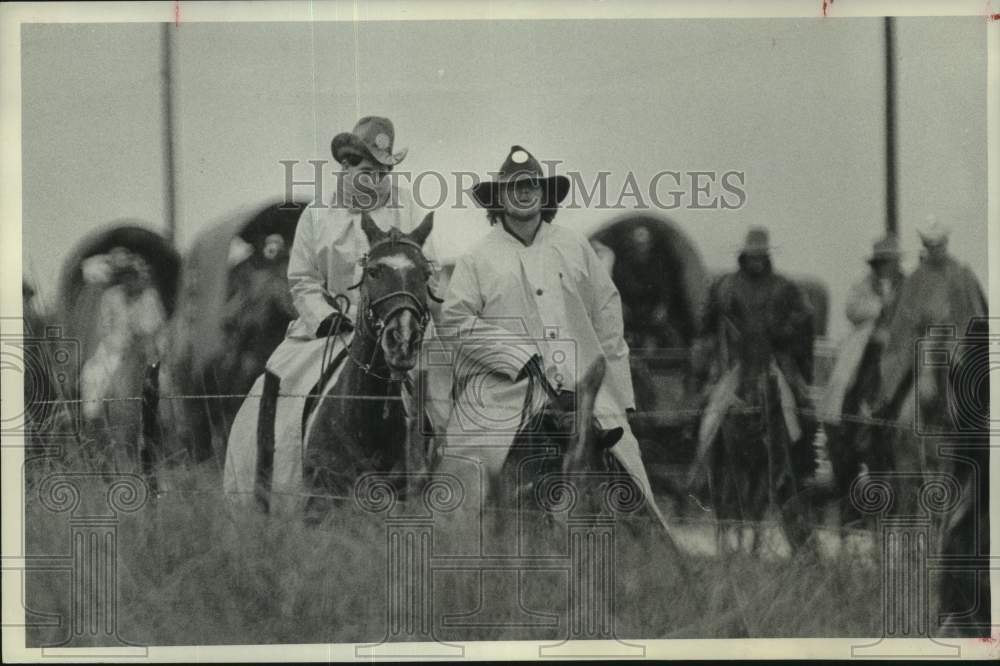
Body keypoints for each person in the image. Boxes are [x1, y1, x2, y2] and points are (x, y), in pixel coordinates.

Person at [436, 145, 670, 539]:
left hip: (581, 391)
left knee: (630, 481)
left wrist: (618, 398)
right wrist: (515, 354)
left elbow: (608, 317)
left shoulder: (574, 247)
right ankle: (463, 557)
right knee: (466, 488)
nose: (524, 193)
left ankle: (653, 557)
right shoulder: (478, 258)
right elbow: (455, 319)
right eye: (514, 186)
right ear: (500, 198)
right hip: (506, 396)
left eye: (532, 186)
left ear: (544, 196)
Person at [224, 116, 443, 505]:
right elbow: (303, 281)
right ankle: (278, 486)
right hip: (330, 328)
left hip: (398, 325)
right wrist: (324, 317)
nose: (374, 179)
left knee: (440, 395)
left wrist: (421, 313)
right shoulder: (317, 215)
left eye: (382, 171)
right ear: (346, 164)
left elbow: (428, 267)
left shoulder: (406, 207)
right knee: (280, 385)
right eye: (366, 169)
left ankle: (442, 488)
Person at [690, 227, 818, 553]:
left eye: (762, 255)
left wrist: (784, 333)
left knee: (797, 410)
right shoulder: (725, 286)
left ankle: (801, 471)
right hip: (736, 365)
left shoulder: (785, 288)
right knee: (710, 414)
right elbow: (704, 324)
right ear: (744, 255)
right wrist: (708, 356)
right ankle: (699, 472)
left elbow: (805, 321)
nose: (757, 260)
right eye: (753, 255)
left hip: (773, 362)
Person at [820, 235, 905, 528]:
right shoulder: (863, 286)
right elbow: (852, 309)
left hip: (898, 349)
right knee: (848, 378)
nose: (887, 266)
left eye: (890, 261)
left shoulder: (908, 286)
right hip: (868, 347)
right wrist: (881, 310)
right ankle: (848, 418)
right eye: (882, 261)